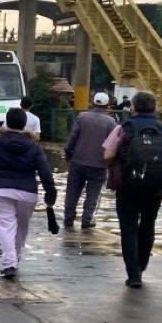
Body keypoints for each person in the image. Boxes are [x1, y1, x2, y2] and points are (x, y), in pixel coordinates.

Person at [103, 91, 162, 288]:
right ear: (155, 108)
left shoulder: (123, 128)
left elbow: (107, 155)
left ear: (133, 107)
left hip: (128, 187)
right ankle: (142, 265)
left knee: (128, 229)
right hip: (156, 187)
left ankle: (133, 275)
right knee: (148, 225)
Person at [0, 108, 57, 279]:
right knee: (22, 227)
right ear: (24, 123)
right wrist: (50, 194)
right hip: (28, 193)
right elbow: (45, 171)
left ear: (7, 121)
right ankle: (14, 260)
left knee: (6, 227)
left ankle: (9, 263)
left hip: (1, 190)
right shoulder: (33, 146)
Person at [63, 91, 117, 229]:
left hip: (78, 161)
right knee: (93, 193)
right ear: (108, 105)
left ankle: (68, 217)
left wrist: (68, 154)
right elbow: (112, 145)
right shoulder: (111, 122)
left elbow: (72, 138)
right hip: (99, 165)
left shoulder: (82, 117)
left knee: (72, 191)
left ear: (93, 102)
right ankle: (87, 219)